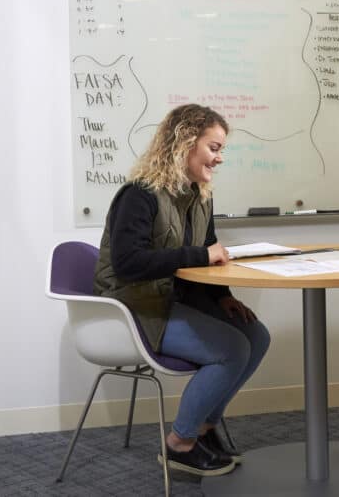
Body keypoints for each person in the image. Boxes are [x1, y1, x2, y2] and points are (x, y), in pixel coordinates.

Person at [94, 104, 270, 477]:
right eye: (214, 148)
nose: (219, 158)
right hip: (133, 305)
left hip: (170, 300)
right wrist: (201, 255)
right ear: (185, 142)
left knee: (256, 334)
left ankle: (205, 428)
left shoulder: (199, 195)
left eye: (222, 150)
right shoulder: (138, 195)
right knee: (231, 350)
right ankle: (179, 443)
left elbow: (208, 257)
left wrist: (223, 297)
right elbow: (128, 264)